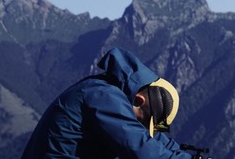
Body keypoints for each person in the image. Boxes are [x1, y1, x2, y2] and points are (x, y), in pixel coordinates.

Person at [21, 47, 192, 159]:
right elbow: (138, 145)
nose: (141, 127)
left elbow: (155, 139)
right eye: (143, 122)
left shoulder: (107, 89)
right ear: (139, 100)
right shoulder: (104, 96)